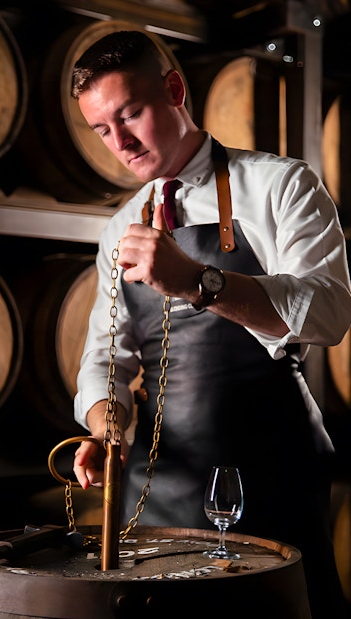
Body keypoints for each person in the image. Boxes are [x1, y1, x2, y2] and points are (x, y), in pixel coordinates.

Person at [69, 30, 351, 618]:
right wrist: (105, 426)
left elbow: (327, 312)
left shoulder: (282, 185)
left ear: (174, 90)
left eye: (131, 115)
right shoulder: (118, 227)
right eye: (102, 129)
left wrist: (200, 282)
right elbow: (105, 360)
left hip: (271, 471)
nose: (119, 142)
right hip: (161, 484)